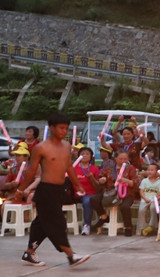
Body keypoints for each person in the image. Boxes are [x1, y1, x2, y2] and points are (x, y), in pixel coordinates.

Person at [16, 113, 89, 266]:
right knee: (57, 223)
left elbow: (69, 167)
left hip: (59, 189)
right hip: (45, 190)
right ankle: (70, 255)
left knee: (42, 223)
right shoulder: (40, 148)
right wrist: (21, 189)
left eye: (66, 128)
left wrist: (77, 184)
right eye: (61, 128)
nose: (64, 131)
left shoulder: (66, 146)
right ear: (52, 128)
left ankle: (29, 253)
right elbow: (31, 171)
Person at [73, 146, 104, 235]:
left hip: (89, 193)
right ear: (78, 156)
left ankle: (86, 225)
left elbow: (97, 186)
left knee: (87, 202)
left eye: (87, 154)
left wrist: (91, 177)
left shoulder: (94, 169)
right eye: (82, 154)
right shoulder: (74, 168)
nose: (85, 155)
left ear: (91, 156)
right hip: (75, 193)